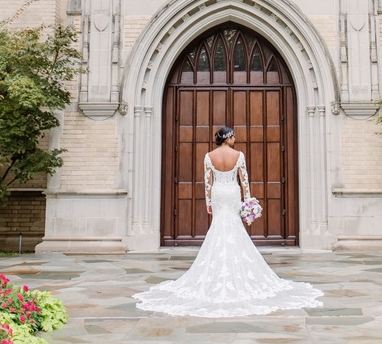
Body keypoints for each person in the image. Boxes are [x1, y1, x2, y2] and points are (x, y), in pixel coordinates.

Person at [133, 126, 323, 318]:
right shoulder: (238, 155)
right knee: (234, 227)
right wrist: (248, 202)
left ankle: (216, 274)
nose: (235, 139)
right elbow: (244, 180)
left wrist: (208, 202)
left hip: (218, 194)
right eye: (233, 136)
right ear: (228, 137)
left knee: (218, 228)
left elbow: (207, 182)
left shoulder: (209, 156)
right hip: (232, 193)